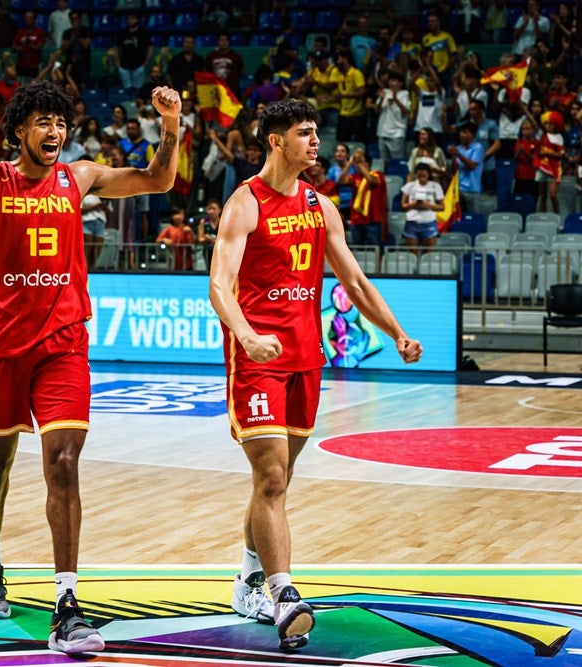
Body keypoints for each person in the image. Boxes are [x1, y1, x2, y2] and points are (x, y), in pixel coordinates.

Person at [0, 80, 180, 655]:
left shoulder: (78, 178)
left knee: (65, 462)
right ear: (20, 131)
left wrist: (172, 128)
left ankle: (67, 603)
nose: (54, 133)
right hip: (2, 345)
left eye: (61, 123)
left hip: (63, 343)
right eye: (43, 123)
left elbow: (158, 179)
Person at [208, 98, 422, 653]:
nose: (315, 142)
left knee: (272, 483)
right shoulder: (244, 204)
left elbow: (353, 281)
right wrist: (247, 337)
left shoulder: (321, 207)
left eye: (315, 132)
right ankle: (284, 595)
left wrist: (396, 332)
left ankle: (248, 579)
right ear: (276, 141)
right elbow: (219, 286)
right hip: (257, 363)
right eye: (304, 133)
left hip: (307, 360)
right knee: (273, 478)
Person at [337, 147, 389, 248]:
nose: (358, 165)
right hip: (356, 220)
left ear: (368, 164)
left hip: (372, 220)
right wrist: (350, 163)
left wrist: (358, 163)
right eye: (358, 163)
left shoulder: (377, 174)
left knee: (375, 250)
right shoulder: (355, 177)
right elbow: (341, 180)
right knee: (358, 253)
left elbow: (371, 181)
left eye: (362, 162)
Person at [400, 162, 444, 253]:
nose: (422, 178)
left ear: (428, 174)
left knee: (428, 254)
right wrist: (413, 204)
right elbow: (403, 205)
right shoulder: (410, 186)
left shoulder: (435, 186)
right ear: (416, 174)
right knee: (412, 253)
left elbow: (442, 207)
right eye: (419, 175)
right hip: (412, 222)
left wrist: (428, 205)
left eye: (424, 175)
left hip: (429, 222)